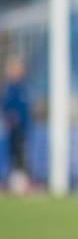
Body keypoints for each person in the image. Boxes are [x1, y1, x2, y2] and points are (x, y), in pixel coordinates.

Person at [2, 56, 31, 194]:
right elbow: (8, 107)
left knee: (21, 155)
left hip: (23, 130)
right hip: (14, 130)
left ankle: (21, 183)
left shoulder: (22, 87)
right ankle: (16, 183)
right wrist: (11, 118)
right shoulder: (11, 89)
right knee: (15, 155)